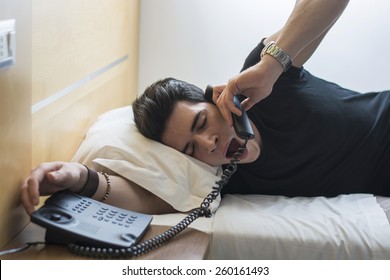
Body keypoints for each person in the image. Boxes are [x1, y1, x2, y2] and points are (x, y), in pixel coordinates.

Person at [21, 0, 387, 216]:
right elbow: (149, 197)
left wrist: (272, 65)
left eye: (201, 123)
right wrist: (78, 177)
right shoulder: (218, 175)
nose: (209, 144)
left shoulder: (262, 81)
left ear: (215, 96)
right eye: (190, 148)